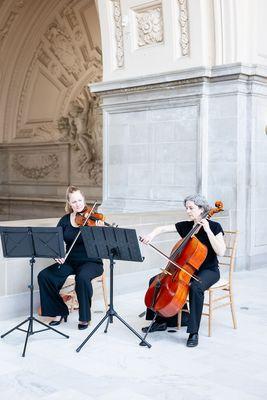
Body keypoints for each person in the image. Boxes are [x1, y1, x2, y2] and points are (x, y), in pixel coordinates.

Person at [140, 194, 226, 347]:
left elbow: (221, 251)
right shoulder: (186, 226)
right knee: (155, 280)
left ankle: (193, 332)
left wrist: (207, 230)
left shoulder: (214, 227)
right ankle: (160, 321)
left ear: (201, 209)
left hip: (209, 270)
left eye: (191, 208)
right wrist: (151, 235)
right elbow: (162, 228)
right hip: (187, 270)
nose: (187, 211)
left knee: (195, 287)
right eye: (186, 208)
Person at [37, 185, 104, 330]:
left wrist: (99, 232)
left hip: (91, 261)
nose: (78, 204)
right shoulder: (65, 220)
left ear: (84, 199)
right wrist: (57, 255)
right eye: (74, 202)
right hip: (70, 260)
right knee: (45, 276)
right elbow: (54, 242)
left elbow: (103, 245)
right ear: (69, 203)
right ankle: (59, 311)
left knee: (82, 277)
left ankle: (85, 317)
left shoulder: (94, 219)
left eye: (80, 200)